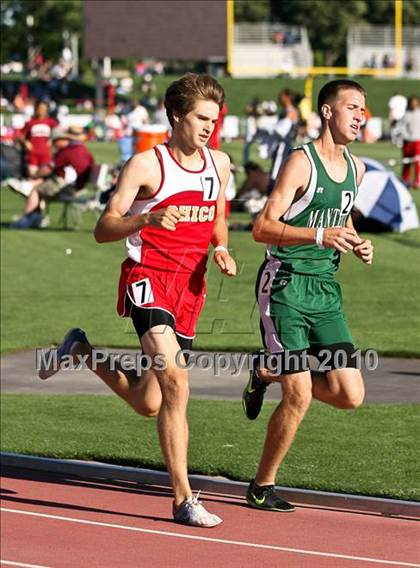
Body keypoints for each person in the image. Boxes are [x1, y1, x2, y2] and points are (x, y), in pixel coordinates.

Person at [37, 73, 237, 527]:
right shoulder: (147, 166)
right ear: (176, 116)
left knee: (150, 402)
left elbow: (218, 217)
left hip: (190, 288)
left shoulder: (221, 164)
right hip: (148, 279)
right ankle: (184, 499)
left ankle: (81, 350)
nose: (209, 127)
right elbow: (103, 227)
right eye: (201, 118)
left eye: (214, 118)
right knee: (178, 384)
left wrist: (221, 248)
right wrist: (146, 218)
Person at [242, 79, 374, 513]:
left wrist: (357, 242)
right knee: (298, 394)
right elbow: (262, 226)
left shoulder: (357, 169)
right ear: (327, 111)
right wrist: (318, 235)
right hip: (284, 285)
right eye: (352, 107)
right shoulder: (302, 162)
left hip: (325, 291)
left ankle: (264, 373)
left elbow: (341, 221)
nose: (360, 115)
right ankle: (262, 486)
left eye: (363, 109)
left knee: (349, 393)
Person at [9, 127, 94, 229]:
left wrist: (35, 175)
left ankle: (27, 219)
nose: (54, 142)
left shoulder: (69, 151)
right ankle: (34, 214)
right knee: (41, 185)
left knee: (36, 191)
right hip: (76, 185)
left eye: (56, 140)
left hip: (68, 187)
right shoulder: (84, 150)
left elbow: (49, 168)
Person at [19, 100, 59, 177]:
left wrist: (52, 140)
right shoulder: (30, 122)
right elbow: (20, 136)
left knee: (44, 175)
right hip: (33, 154)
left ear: (47, 111)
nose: (41, 111)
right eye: (39, 109)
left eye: (44, 109)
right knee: (32, 175)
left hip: (46, 154)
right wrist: (26, 142)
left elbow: (59, 135)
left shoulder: (51, 122)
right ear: (36, 109)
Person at [400, 95, 420, 189]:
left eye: (415, 103)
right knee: (407, 162)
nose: (413, 105)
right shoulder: (406, 115)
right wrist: (406, 136)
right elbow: (402, 127)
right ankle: (405, 181)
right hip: (407, 142)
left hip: (417, 141)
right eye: (412, 103)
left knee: (417, 162)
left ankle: (417, 181)